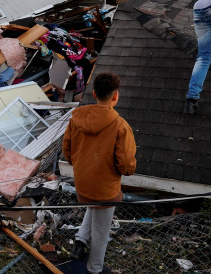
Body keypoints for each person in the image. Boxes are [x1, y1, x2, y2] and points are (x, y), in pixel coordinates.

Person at [62, 72, 136, 274]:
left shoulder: (75, 119)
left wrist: (83, 165)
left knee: (93, 203)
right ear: (115, 96)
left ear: (94, 93)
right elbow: (127, 165)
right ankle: (94, 269)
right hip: (105, 188)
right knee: (101, 233)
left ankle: (80, 240)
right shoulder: (120, 125)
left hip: (83, 185)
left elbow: (67, 151)